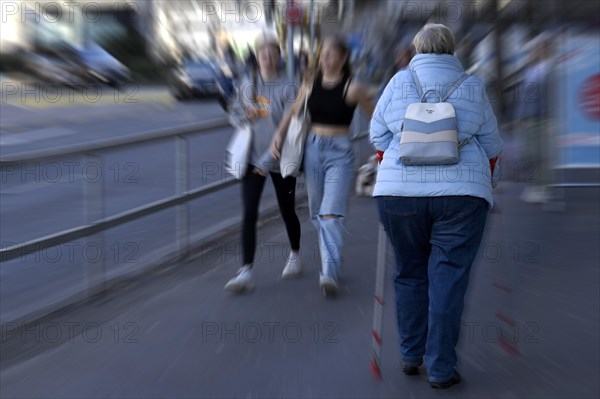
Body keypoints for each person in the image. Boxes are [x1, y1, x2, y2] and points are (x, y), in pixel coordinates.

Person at [370, 24, 503, 388]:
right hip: (461, 197)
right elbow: (492, 144)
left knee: (410, 271)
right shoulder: (472, 86)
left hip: (399, 196)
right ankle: (441, 367)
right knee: (448, 278)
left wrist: (391, 162)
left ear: (417, 49)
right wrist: (491, 178)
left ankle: (411, 354)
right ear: (451, 49)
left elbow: (377, 133)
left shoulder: (398, 83)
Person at [271, 36, 375, 296]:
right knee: (318, 213)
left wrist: (385, 149)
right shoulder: (310, 82)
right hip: (313, 149)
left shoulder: (354, 88)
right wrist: (278, 135)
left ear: (343, 58)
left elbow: (377, 118)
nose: (325, 57)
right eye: (323, 53)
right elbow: (293, 111)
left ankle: (329, 272)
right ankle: (333, 259)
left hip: (340, 152)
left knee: (330, 213)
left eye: (331, 53)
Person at [224, 35, 303, 293]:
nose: (267, 57)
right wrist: (243, 115)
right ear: (257, 56)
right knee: (249, 212)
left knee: (286, 209)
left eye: (272, 53)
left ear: (279, 56)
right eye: (262, 53)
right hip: (251, 157)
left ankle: (295, 254)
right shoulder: (248, 83)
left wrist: (266, 161)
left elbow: (293, 126)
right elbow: (233, 113)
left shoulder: (289, 86)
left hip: (280, 157)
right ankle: (245, 271)